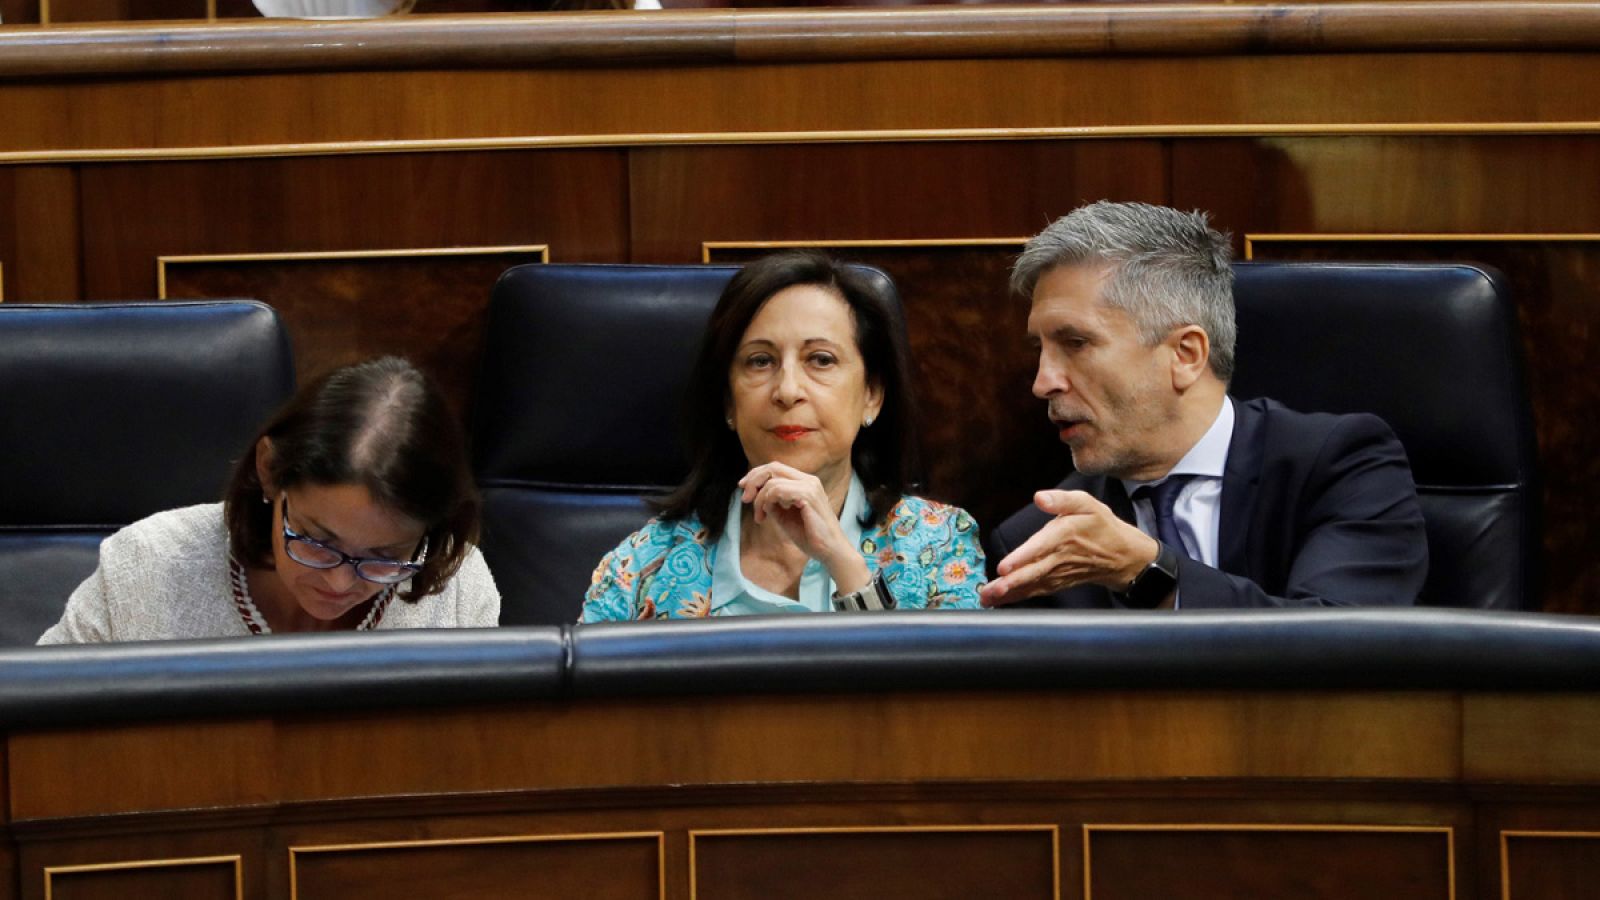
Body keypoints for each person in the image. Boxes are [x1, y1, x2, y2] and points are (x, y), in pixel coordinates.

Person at [981, 201, 1427, 609]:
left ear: (1185, 355)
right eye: (1039, 350)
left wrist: (1149, 574)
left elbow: (1347, 650)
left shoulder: (1340, 464)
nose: (1043, 383)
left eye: (1075, 343)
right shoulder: (1038, 542)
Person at [581, 251, 985, 621]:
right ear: (728, 404)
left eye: (820, 360)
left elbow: (944, 699)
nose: (787, 390)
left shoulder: (941, 545)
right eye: (761, 361)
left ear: (871, 396)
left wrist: (845, 566)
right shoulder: (640, 565)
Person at [39, 356, 500, 643]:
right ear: (269, 472)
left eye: (384, 557)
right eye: (318, 541)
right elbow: (37, 732)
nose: (340, 584)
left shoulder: (457, 593)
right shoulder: (147, 566)